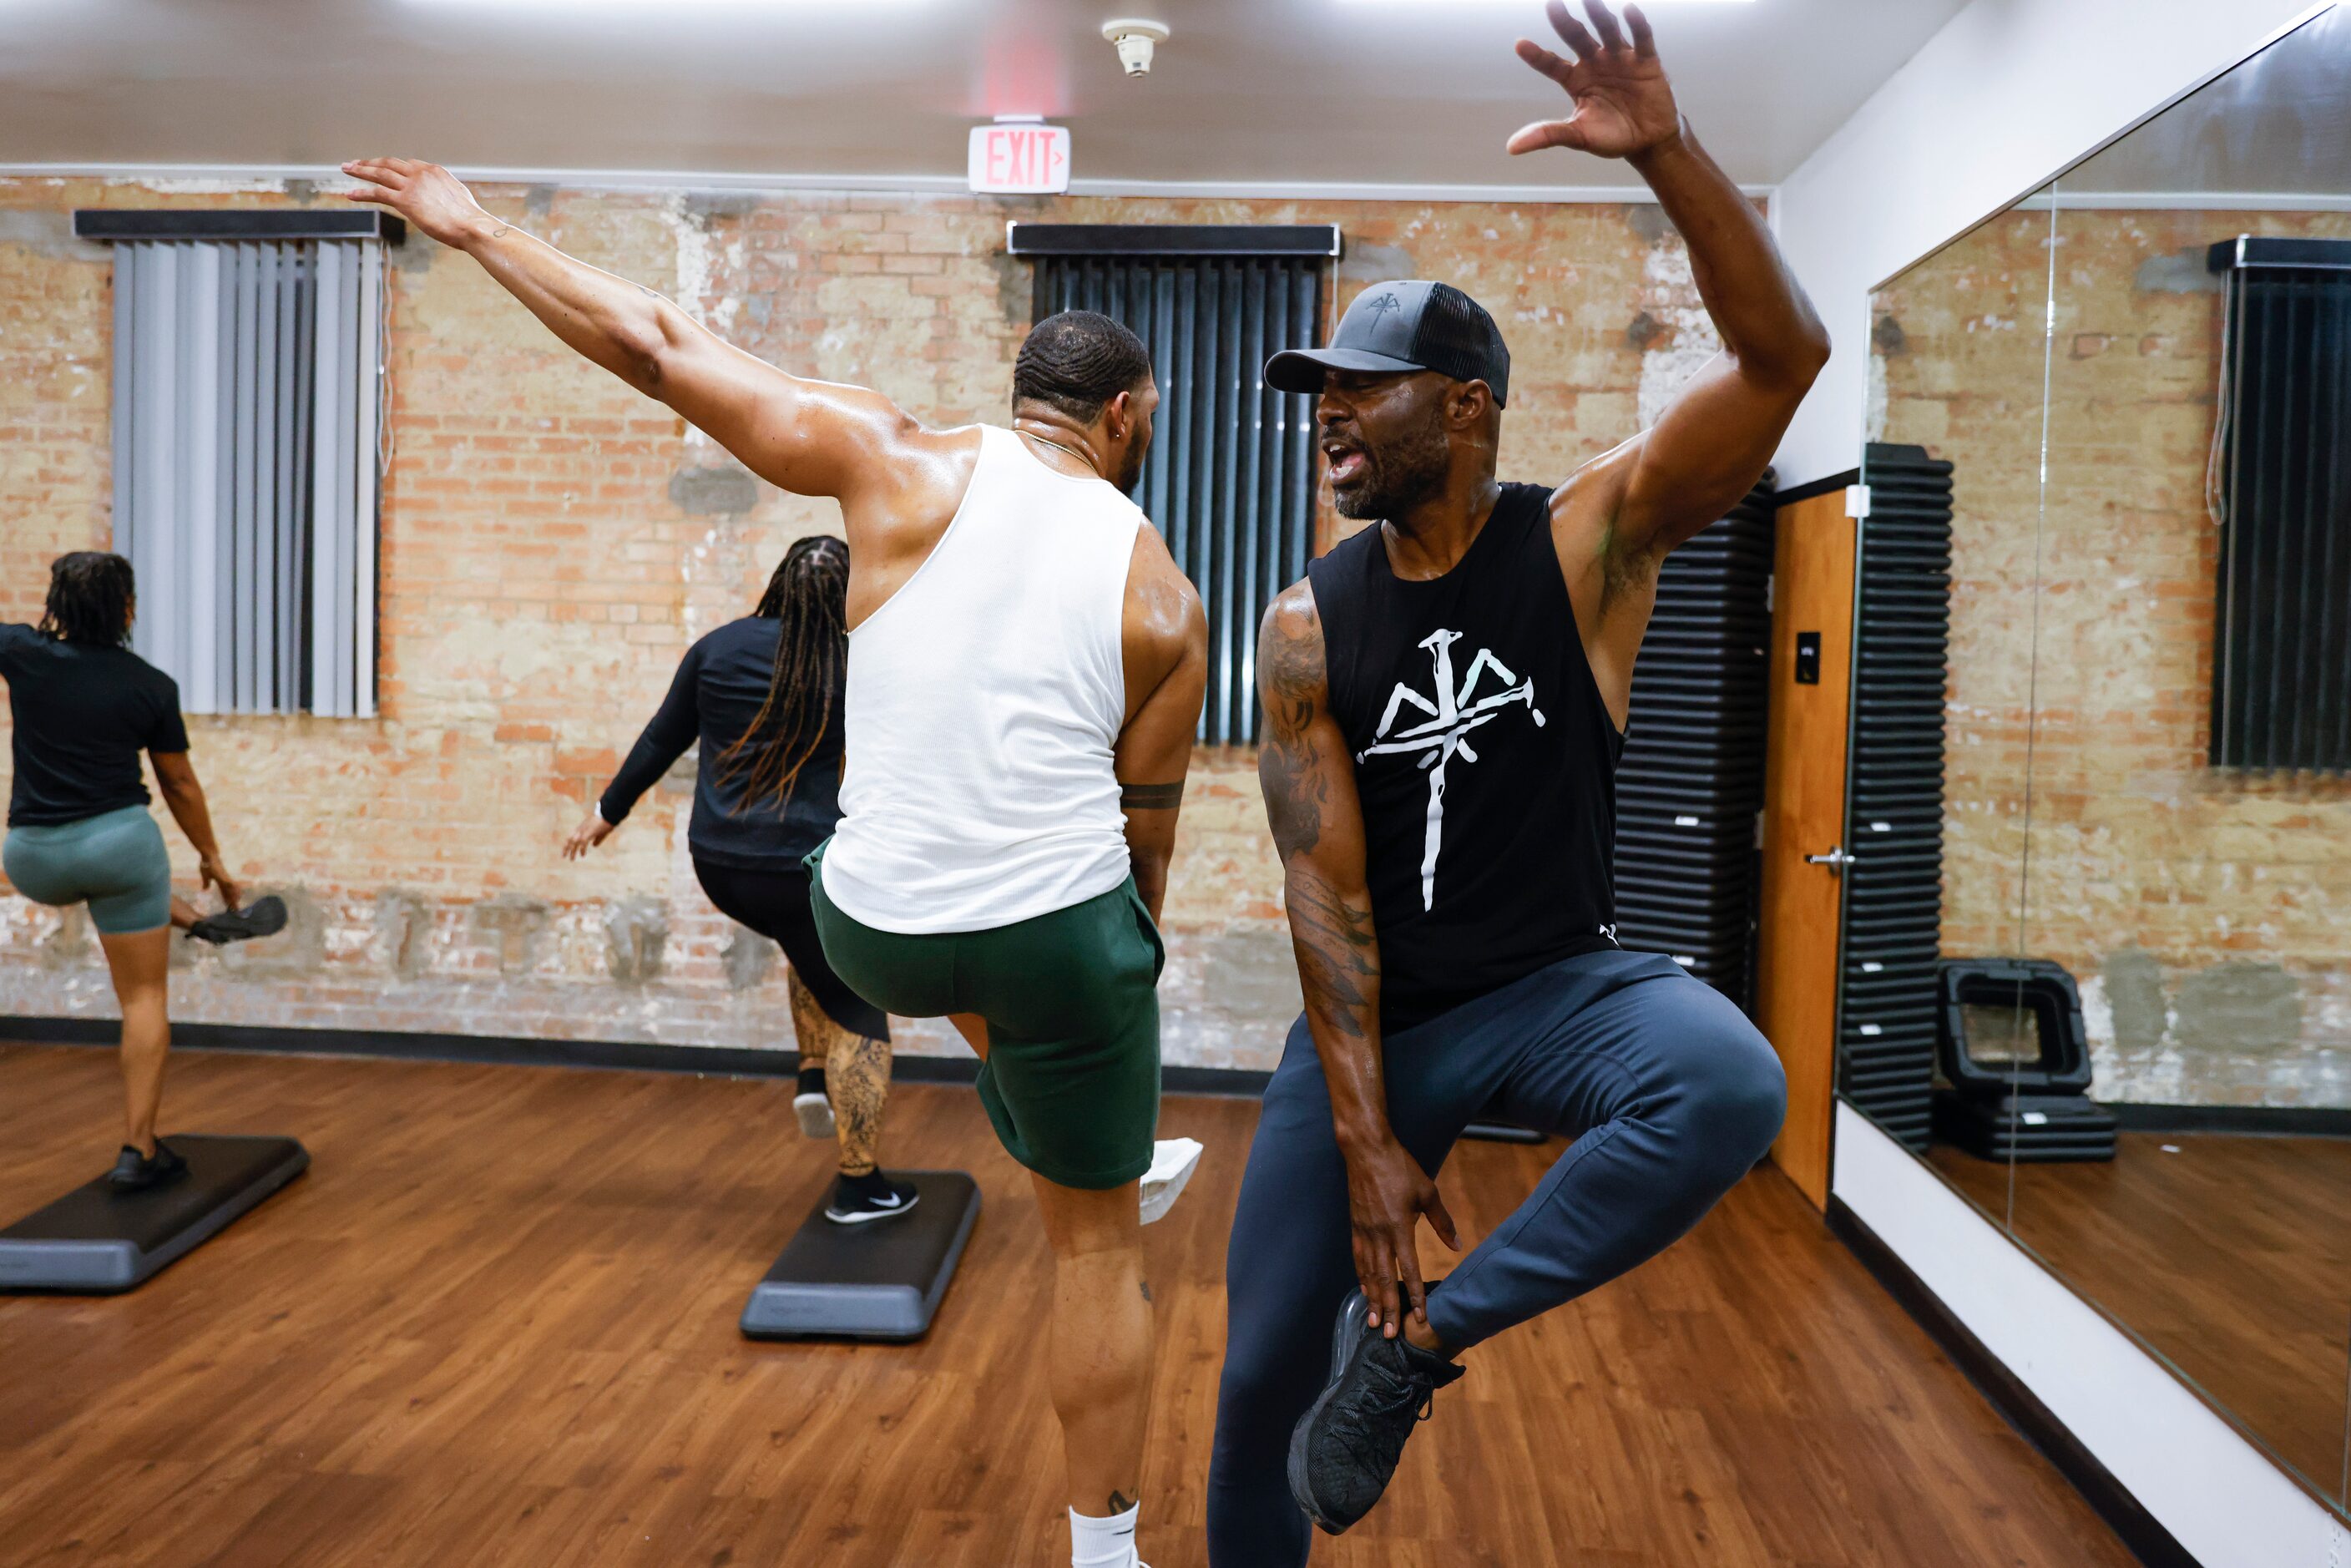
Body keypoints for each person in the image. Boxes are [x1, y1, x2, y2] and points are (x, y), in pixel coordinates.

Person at [341, 157, 1208, 1568]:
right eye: (1150, 417)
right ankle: (1103, 1545)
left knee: (948, 956)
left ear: (1022, 394)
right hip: (1048, 928)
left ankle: (1059, 1105)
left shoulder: (891, 455)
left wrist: (481, 228)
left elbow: (664, 347)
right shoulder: (1169, 594)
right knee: (1094, 1235)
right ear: (1124, 417)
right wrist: (1114, 1008)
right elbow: (1141, 856)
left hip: (862, 917)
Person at [1206, 3, 1831, 1557]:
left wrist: (1671, 154)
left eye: (1366, 385)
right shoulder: (1305, 620)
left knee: (1729, 1081)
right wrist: (1365, 1142)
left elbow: (1785, 357)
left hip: (1559, 982)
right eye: (1322, 390)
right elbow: (1321, 890)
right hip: (1386, 1014)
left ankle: (1415, 1354)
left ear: (1467, 409)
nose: (1330, 410)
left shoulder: (1587, 544)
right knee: (1259, 1369)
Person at [562, 534, 909, 1224]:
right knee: (864, 1015)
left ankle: (813, 1075)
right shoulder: (858, 663)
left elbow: (663, 738)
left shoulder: (717, 649)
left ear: (777, 582)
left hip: (720, 866)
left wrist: (607, 813)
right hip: (806, 875)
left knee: (807, 948)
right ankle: (859, 1185)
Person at [2, 552, 286, 1191]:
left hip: (31, 858)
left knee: (114, 891)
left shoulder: (20, 651)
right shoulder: (150, 685)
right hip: (118, 850)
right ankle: (138, 1152)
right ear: (125, 610)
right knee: (143, 996)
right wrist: (213, 859)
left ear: (57, 605)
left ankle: (189, 919)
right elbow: (178, 783)